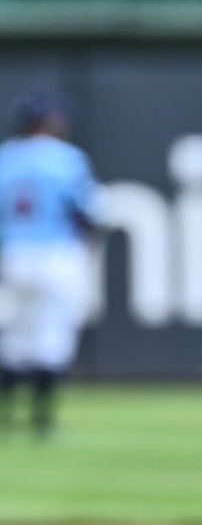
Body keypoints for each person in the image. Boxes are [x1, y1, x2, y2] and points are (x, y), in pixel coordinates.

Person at [0, 90, 101, 436]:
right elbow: (87, 212)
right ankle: (42, 423)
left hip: (12, 255)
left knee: (12, 339)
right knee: (51, 337)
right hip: (57, 254)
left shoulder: (5, 157)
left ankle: (7, 420)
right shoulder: (67, 158)